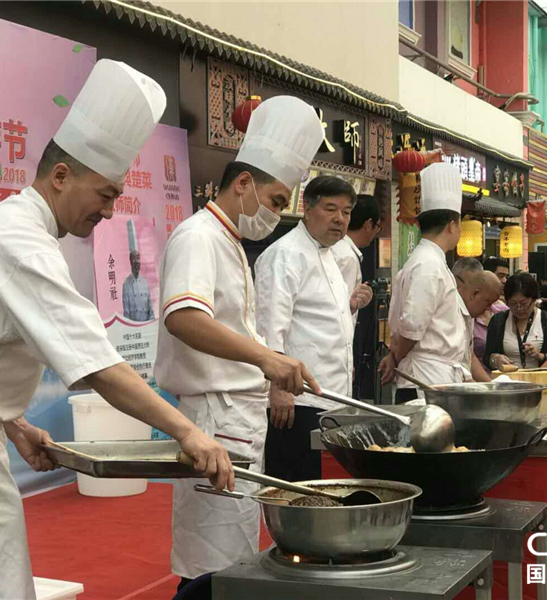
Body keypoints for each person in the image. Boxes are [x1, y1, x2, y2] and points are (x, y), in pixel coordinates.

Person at [0, 60, 234, 600]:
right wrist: (188, 433)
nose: (108, 211)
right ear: (61, 177)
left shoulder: (0, 229)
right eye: (105, 195)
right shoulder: (19, 242)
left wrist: (16, 425)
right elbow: (100, 366)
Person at [154, 95, 325, 590]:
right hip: (213, 414)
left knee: (232, 549)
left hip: (236, 417)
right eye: (275, 201)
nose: (276, 214)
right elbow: (184, 318)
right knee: (212, 557)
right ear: (244, 182)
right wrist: (267, 359)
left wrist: (271, 360)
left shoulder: (229, 241)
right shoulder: (198, 237)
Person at [255, 176, 370, 482]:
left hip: (333, 398)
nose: (339, 219)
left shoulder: (331, 254)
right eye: (330, 209)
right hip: (297, 401)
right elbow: (269, 326)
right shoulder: (286, 254)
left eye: (346, 212)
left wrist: (352, 306)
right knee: (298, 491)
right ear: (307, 208)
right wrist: (278, 390)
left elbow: (321, 317)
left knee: (328, 490)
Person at [377, 163, 466, 403]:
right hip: (424, 381)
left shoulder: (429, 260)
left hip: (433, 379)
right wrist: (395, 358)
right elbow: (413, 326)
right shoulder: (427, 264)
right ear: (452, 225)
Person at [485, 272, 547, 371]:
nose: (519, 308)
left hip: (541, 380)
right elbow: (487, 356)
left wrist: (541, 356)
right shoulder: (498, 321)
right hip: (507, 381)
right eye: (513, 303)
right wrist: (494, 359)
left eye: (524, 303)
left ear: (534, 300)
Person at [331, 194, 380, 326]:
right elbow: (342, 308)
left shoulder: (336, 247)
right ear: (369, 224)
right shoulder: (347, 257)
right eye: (378, 227)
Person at [452, 259, 501, 382]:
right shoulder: (448, 309)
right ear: (475, 293)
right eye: (487, 302)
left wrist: (490, 387)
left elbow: (469, 355)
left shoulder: (469, 313)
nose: (488, 309)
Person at [122, 219, 155, 322]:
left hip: (146, 326)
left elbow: (151, 309)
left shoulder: (145, 282)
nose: (137, 261)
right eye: (134, 258)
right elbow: (126, 314)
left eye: (138, 258)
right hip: (134, 329)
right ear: (130, 261)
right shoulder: (126, 284)